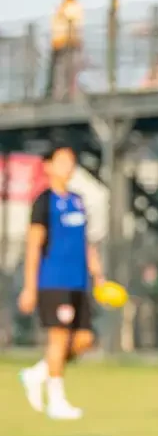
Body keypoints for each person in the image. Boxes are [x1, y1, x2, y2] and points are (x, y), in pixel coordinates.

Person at [18, 146, 103, 420]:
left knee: (84, 340)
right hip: (53, 281)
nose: (68, 166)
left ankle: (38, 373)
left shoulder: (78, 200)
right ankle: (56, 402)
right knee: (59, 339)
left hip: (79, 282)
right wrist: (30, 286)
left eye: (72, 161)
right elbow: (33, 246)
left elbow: (85, 242)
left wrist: (98, 275)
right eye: (62, 161)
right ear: (48, 166)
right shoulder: (43, 202)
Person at [47, 0, 84, 100]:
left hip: (68, 41)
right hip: (58, 41)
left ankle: (67, 93)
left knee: (67, 69)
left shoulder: (73, 7)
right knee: (58, 70)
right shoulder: (63, 7)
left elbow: (72, 22)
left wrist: (73, 39)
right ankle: (57, 93)